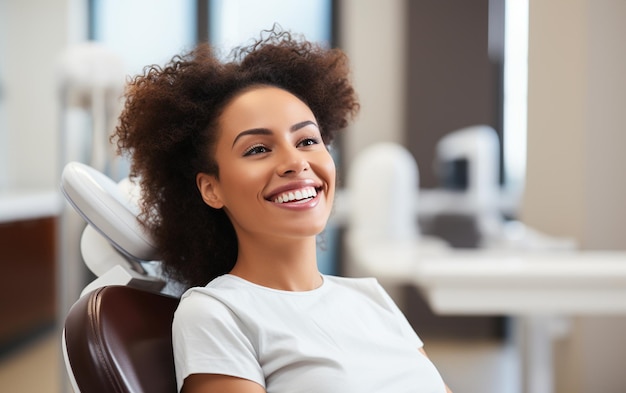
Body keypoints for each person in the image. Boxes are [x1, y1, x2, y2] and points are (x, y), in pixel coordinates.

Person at [113, 28, 453, 393]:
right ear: (212, 188)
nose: (295, 162)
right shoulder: (217, 313)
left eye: (307, 140)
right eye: (258, 149)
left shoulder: (370, 298)